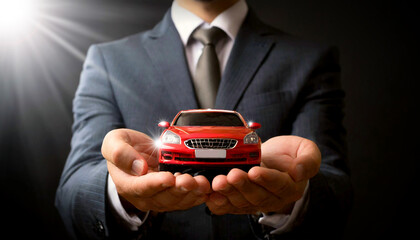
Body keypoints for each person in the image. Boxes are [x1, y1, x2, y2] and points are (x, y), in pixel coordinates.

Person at [55, 0, 352, 239]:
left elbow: (335, 187)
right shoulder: (108, 60)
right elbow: (73, 190)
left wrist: (293, 199)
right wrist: (122, 194)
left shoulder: (310, 60)